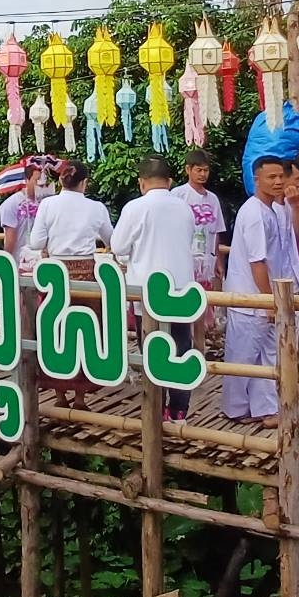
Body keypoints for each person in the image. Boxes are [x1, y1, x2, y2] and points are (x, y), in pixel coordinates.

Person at [112, 156, 200, 422]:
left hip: (148, 294)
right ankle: (180, 410)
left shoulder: (135, 208)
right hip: (182, 293)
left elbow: (117, 247)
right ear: (170, 181)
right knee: (181, 349)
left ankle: (157, 409)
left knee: (153, 351)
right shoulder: (184, 208)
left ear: (141, 183)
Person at [27, 159, 112, 410]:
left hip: (55, 275)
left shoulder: (48, 205)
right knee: (86, 333)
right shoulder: (96, 208)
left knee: (56, 332)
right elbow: (112, 240)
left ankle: (59, 394)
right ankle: (80, 397)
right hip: (86, 274)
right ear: (84, 182)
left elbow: (35, 241)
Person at [222, 156, 299, 428]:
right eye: (271, 177)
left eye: (281, 176)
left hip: (265, 296)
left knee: (268, 355)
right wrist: (268, 301)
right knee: (242, 355)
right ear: (257, 179)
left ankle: (266, 409)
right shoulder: (254, 212)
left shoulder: (271, 210)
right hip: (250, 297)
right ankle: (234, 408)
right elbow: (257, 262)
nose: (278, 181)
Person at [170, 150, 228, 348]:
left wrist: (219, 262)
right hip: (185, 259)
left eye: (206, 170)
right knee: (187, 303)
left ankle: (201, 347)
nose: (203, 174)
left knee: (204, 307)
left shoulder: (213, 199)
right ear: (188, 169)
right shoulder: (178, 195)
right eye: (198, 170)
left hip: (206, 260)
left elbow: (216, 232)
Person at [0, 158, 55, 271]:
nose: (41, 184)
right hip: (19, 261)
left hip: (44, 260)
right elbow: (10, 239)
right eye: (37, 180)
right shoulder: (11, 204)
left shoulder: (48, 202)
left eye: (44, 181)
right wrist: (6, 265)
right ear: (26, 180)